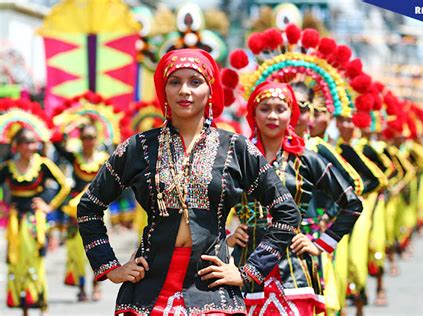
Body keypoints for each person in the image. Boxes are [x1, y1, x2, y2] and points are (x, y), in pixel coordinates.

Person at [77, 48, 301, 315]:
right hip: (148, 290)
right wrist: (110, 267)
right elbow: (89, 206)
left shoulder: (236, 149)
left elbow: (286, 212)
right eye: (175, 82)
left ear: (210, 91)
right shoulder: (138, 147)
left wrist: (249, 271)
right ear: (164, 91)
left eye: (195, 82)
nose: (185, 90)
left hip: (212, 291)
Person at [228, 81, 363, 315]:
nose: (272, 116)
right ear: (253, 113)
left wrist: (320, 243)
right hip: (245, 267)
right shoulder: (237, 159)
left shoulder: (306, 159)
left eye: (280, 109)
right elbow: (207, 203)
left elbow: (352, 203)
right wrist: (227, 236)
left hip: (294, 272)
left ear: (292, 114)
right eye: (265, 108)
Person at [1, 128, 70, 316]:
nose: (31, 146)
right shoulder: (8, 167)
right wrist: (4, 208)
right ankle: (22, 304)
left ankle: (40, 301)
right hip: (16, 222)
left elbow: (65, 185)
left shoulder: (43, 165)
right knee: (16, 260)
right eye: (26, 142)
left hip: (34, 220)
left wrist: (48, 206)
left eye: (33, 142)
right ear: (17, 145)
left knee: (35, 259)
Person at [52, 123, 109, 301]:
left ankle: (96, 285)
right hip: (75, 210)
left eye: (91, 137)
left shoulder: (104, 158)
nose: (88, 142)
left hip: (97, 208)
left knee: (97, 246)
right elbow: (56, 143)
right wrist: (67, 126)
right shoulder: (75, 157)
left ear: (97, 139)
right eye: (84, 138)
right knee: (76, 250)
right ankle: (81, 286)